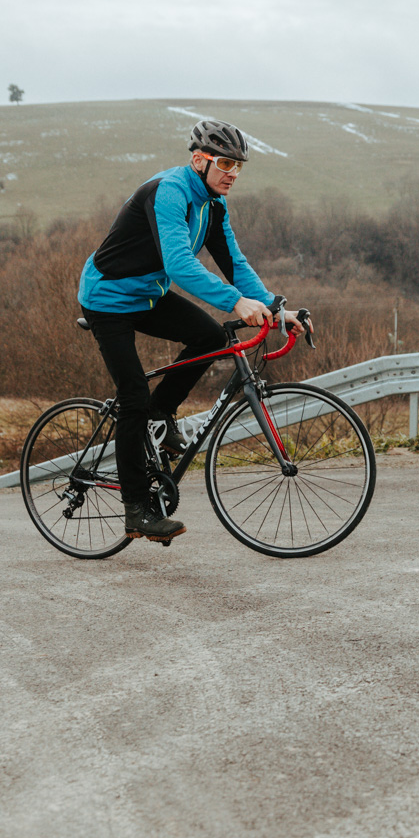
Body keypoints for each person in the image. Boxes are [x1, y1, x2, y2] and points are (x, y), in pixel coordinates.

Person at [78, 117, 284, 543]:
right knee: (133, 396)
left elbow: (234, 264)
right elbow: (178, 264)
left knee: (211, 337)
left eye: (239, 166)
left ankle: (160, 415)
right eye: (225, 163)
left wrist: (273, 308)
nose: (232, 173)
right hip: (108, 299)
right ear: (199, 160)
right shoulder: (169, 192)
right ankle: (136, 509)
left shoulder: (213, 205)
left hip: (147, 296)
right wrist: (233, 301)